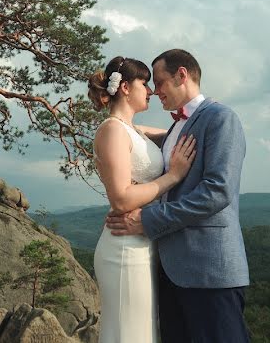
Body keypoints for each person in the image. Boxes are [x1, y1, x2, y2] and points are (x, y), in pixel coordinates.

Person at [106, 49, 251, 343]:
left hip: (209, 268)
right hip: (169, 271)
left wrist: (148, 219)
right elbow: (136, 134)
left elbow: (217, 191)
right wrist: (120, 125)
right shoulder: (176, 127)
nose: (154, 91)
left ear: (181, 75)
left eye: (159, 82)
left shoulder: (222, 118)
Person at [87, 56, 197, 343]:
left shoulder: (133, 130)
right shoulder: (111, 130)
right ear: (125, 87)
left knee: (143, 332)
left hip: (143, 241)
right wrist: (172, 176)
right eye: (144, 83)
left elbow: (174, 133)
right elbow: (122, 198)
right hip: (124, 248)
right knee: (130, 334)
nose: (149, 90)